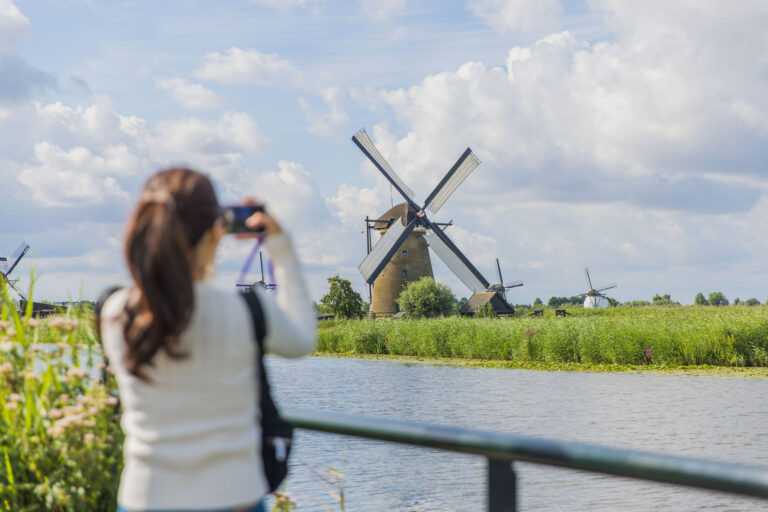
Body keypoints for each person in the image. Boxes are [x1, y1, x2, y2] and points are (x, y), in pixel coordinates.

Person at [99, 167, 316, 512]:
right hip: (233, 498)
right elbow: (303, 339)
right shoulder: (247, 311)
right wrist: (281, 246)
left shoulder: (114, 313)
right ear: (217, 232)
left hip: (145, 498)